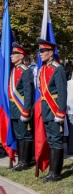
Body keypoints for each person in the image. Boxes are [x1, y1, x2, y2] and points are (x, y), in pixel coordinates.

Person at [37, 39, 67, 182]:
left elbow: (62, 92)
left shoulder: (58, 68)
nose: (40, 53)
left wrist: (61, 112)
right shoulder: (43, 68)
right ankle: (51, 171)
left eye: (43, 51)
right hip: (46, 109)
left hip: (54, 109)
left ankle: (56, 173)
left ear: (50, 52)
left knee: (56, 140)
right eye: (40, 51)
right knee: (51, 140)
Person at [8, 42, 35, 171]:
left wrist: (26, 110)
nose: (11, 56)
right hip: (14, 108)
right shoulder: (14, 70)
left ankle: (25, 161)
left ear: (21, 56)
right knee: (19, 135)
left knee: (25, 135)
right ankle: (21, 161)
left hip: (22, 108)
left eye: (14, 54)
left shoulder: (26, 71)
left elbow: (29, 92)